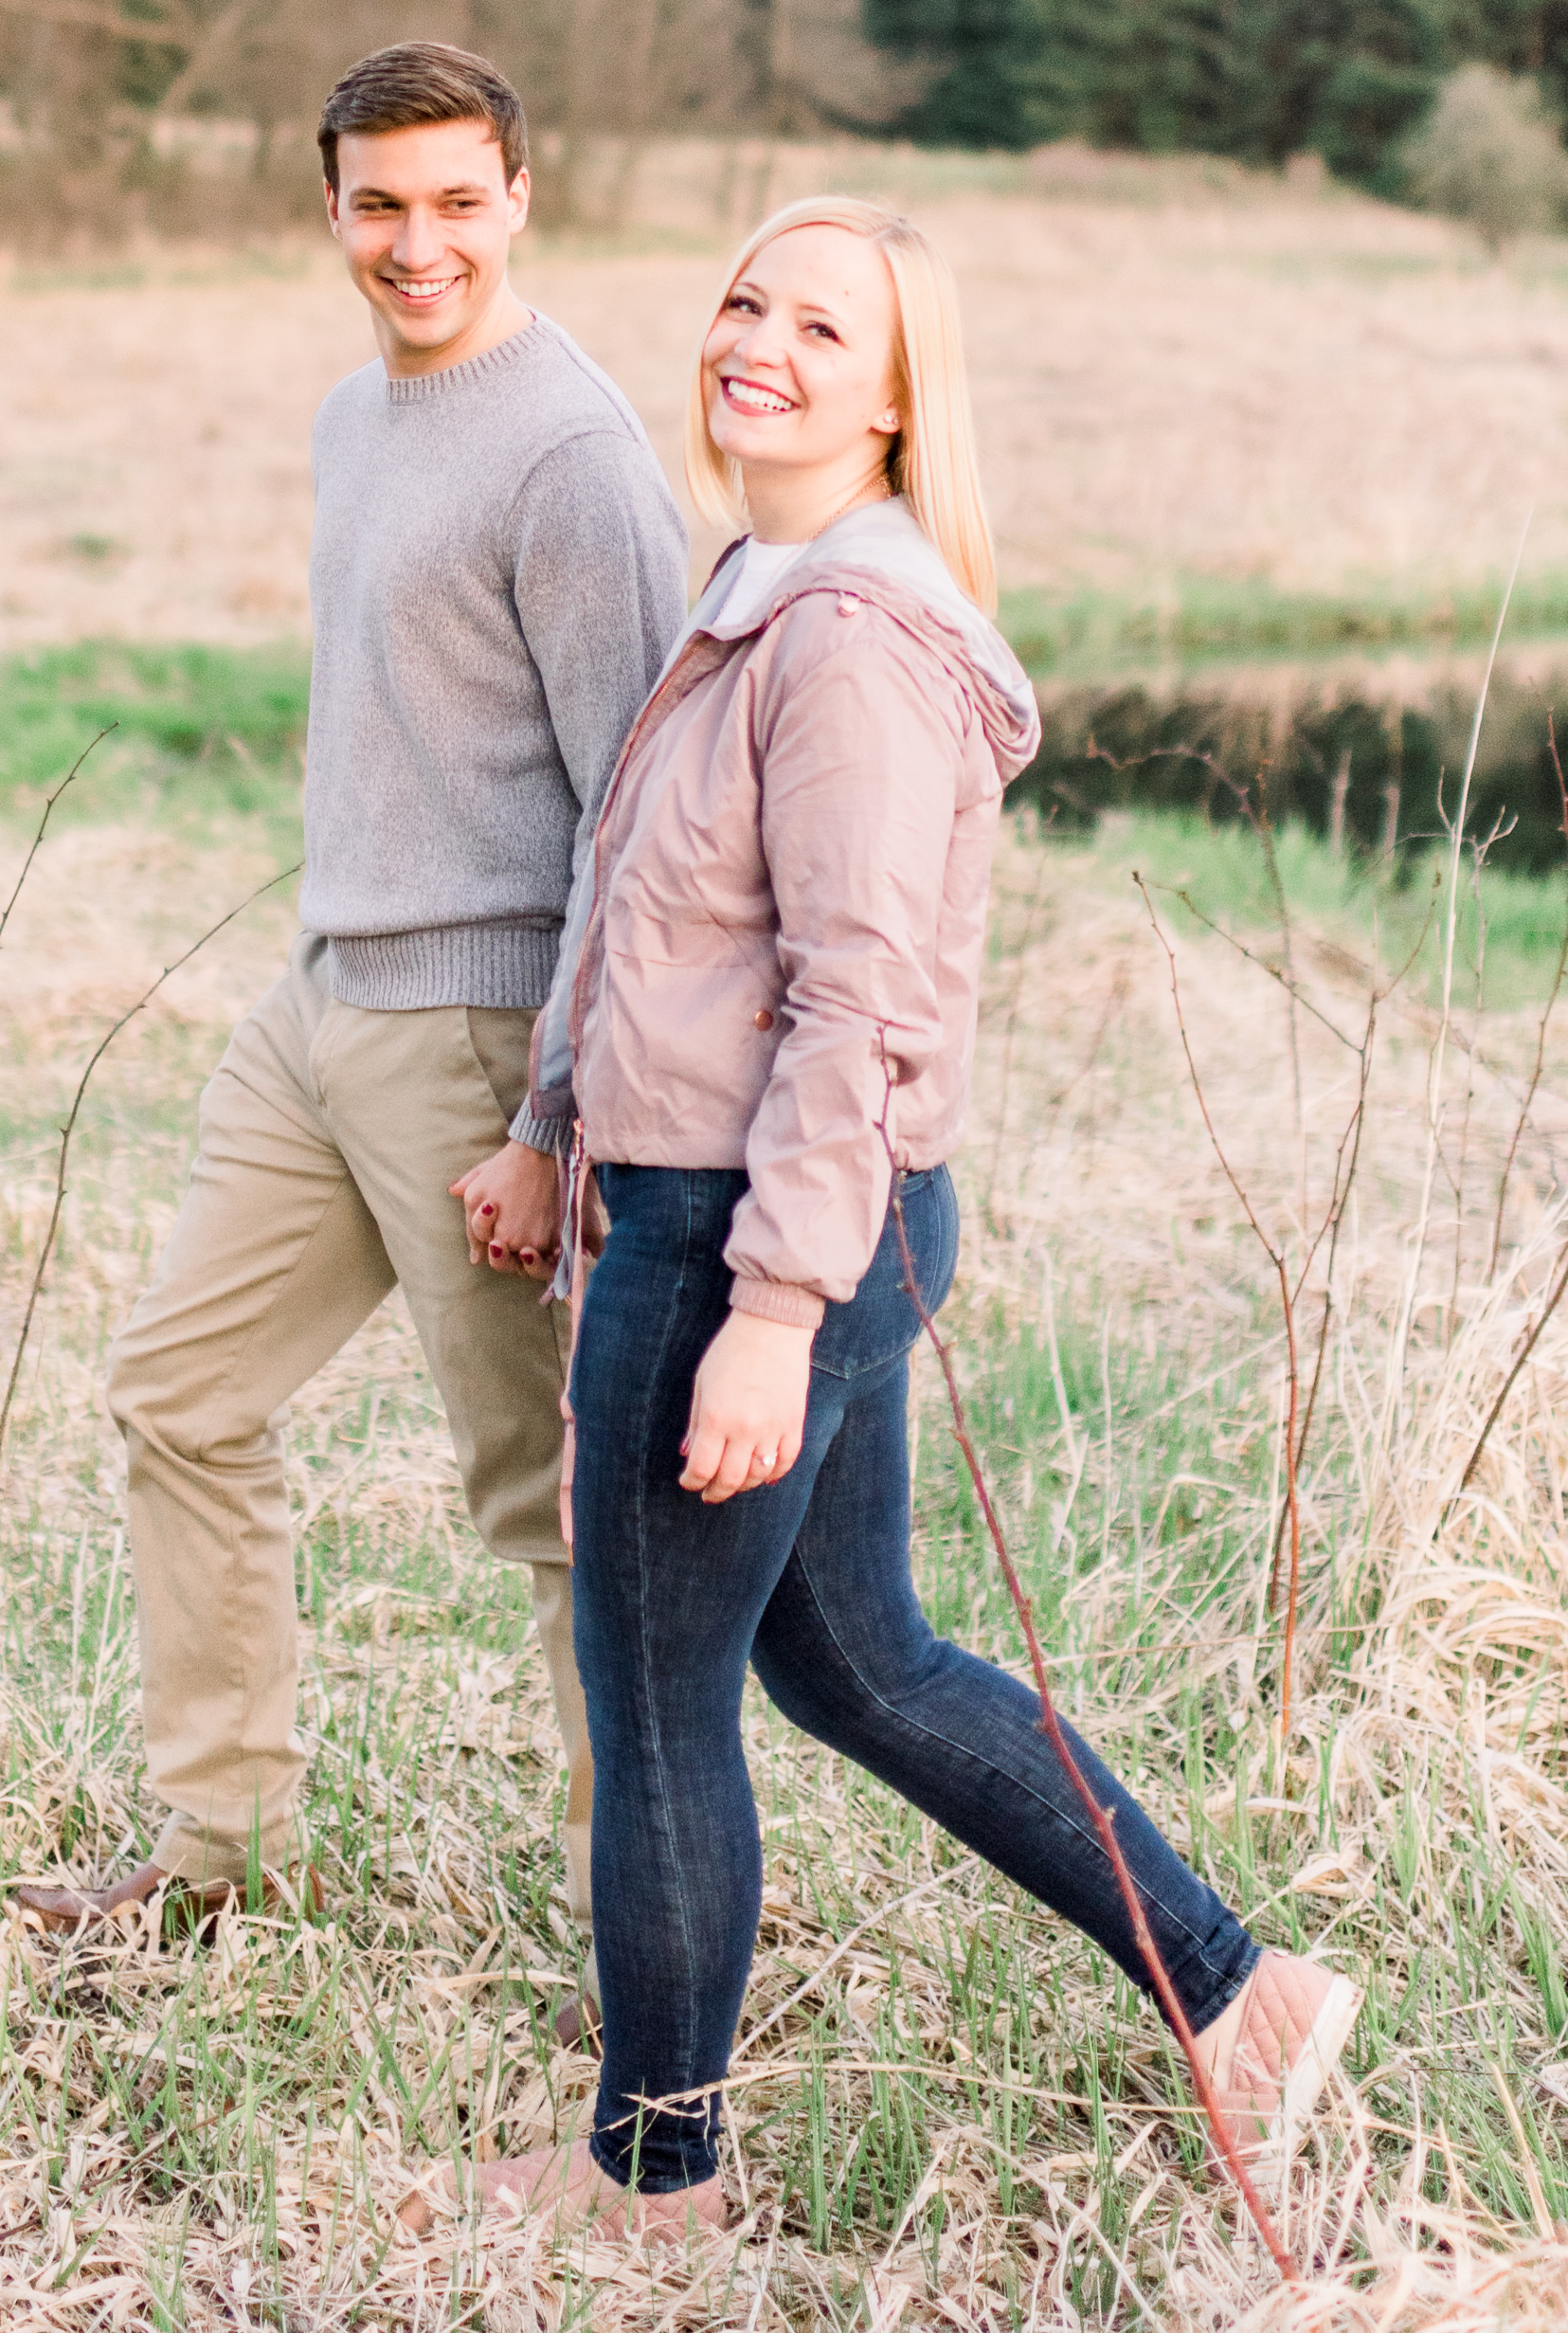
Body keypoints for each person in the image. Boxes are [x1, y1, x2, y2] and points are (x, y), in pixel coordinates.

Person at [480, 195, 1357, 2229]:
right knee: (861, 1666)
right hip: (745, 1207)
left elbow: (857, 1011)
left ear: (890, 404)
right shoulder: (764, 585)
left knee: (662, 1700)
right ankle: (1245, 2002)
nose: (754, 343)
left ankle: (647, 2188)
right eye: (739, 301)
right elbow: (644, 913)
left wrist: (770, 1309)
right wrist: (546, 1118)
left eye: (816, 325)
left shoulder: (853, 642)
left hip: (748, 1236)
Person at [15, 39, 685, 1941]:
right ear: (331, 207)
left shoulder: (571, 456)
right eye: (380, 203)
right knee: (180, 1394)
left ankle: (644, 1933)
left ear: (519, 199)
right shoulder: (352, 419)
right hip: (320, 1010)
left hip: (483, 1042)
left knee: (555, 1505)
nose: (418, 242)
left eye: (457, 201)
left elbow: (639, 820)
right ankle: (214, 1857)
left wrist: (553, 1117)